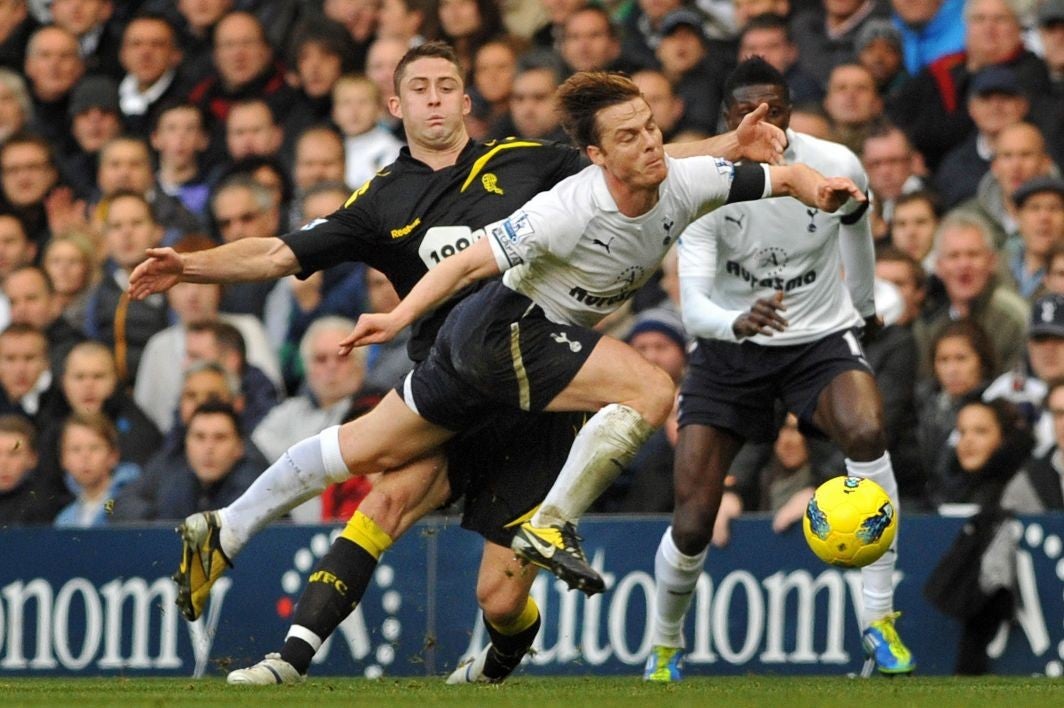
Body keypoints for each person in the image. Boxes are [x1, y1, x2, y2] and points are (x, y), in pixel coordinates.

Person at [129, 41, 791, 685]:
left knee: (500, 599)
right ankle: (285, 652)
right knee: (384, 496)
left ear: (467, 100)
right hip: (452, 380)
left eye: (447, 86)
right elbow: (278, 254)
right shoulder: (380, 200)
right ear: (395, 105)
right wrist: (190, 265)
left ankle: (497, 657)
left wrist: (732, 145)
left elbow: (641, 161)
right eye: (419, 89)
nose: (435, 99)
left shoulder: (527, 162)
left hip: (540, 383)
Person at [339, 64, 860, 596]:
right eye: (630, 135)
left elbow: (787, 177)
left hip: (555, 348)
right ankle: (551, 523)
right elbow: (468, 263)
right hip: (499, 329)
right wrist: (399, 318)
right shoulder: (568, 208)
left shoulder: (688, 179)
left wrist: (821, 190)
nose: (651, 142)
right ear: (596, 154)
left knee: (489, 584)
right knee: (356, 456)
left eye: (652, 127)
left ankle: (547, 530)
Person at [625, 57, 913, 681]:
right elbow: (694, 306)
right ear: (728, 120)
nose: (766, 123)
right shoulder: (703, 187)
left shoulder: (835, 162)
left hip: (818, 339)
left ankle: (879, 619)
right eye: (748, 113)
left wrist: (863, 307)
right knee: (693, 520)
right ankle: (666, 644)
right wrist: (737, 322)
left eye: (776, 110)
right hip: (729, 351)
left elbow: (857, 229)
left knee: (866, 431)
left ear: (790, 112)